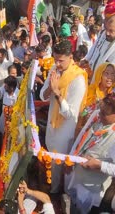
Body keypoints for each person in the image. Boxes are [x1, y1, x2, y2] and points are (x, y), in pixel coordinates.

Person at [40, 40, 88, 193]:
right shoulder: (55, 69)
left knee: (60, 162)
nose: (57, 63)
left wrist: (57, 93)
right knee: (51, 159)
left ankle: (56, 192)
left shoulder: (78, 79)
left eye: (61, 60)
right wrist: (50, 89)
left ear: (70, 57)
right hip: (51, 124)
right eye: (55, 59)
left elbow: (71, 114)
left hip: (65, 129)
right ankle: (53, 186)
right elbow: (42, 96)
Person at [67, 93, 115, 213]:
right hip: (77, 175)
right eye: (100, 110)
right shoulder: (98, 119)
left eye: (104, 113)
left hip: (91, 188)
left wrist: (99, 165)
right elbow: (81, 140)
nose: (100, 114)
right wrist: (71, 159)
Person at [83, 0, 115, 83]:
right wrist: (85, 61)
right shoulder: (103, 34)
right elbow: (92, 52)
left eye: (111, 30)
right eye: (106, 29)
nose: (107, 33)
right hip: (90, 82)